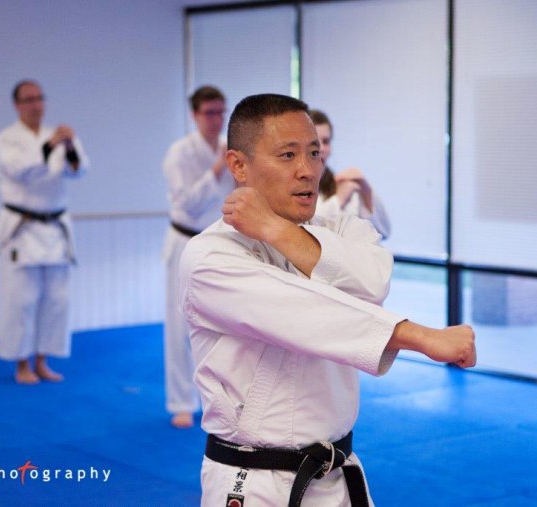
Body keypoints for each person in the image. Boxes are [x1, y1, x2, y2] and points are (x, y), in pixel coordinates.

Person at [179, 94, 476, 506]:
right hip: (254, 483)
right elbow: (305, 314)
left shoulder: (341, 227)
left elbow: (371, 283)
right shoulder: (208, 256)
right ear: (239, 166)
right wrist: (418, 336)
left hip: (338, 475)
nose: (308, 170)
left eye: (314, 152)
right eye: (288, 155)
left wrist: (277, 229)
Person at [0, 80, 89, 384]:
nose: (36, 104)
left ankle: (43, 360)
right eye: (28, 99)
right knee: (21, 299)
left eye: (39, 98)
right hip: (22, 227)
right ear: (17, 105)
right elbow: (20, 170)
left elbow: (79, 170)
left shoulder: (58, 135)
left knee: (56, 299)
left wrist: (69, 146)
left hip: (55, 227)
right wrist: (49, 147)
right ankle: (22, 364)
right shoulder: (6, 140)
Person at [162, 85, 235, 428]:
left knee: (224, 326)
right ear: (194, 115)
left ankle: (220, 400)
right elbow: (188, 201)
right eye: (209, 112)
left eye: (221, 111)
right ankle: (180, 402)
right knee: (180, 326)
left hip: (222, 243)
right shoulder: (179, 153)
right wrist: (217, 168)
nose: (216, 119)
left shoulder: (231, 151)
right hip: (185, 242)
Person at [309, 109, 391, 239]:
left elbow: (383, 233)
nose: (322, 148)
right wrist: (338, 201)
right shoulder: (290, 189)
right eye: (315, 143)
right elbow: (307, 236)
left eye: (326, 141)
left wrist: (366, 192)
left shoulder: (345, 187)